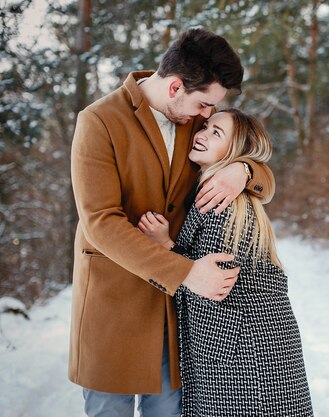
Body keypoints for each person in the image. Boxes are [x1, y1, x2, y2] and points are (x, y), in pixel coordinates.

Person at [69, 29, 275, 417]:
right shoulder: (98, 121)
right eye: (203, 104)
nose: (207, 115)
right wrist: (185, 273)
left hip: (173, 314)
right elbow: (101, 221)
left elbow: (249, 155)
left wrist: (244, 171)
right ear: (176, 86)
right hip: (114, 302)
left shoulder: (191, 119)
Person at [139, 109, 314, 416]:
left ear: (234, 152)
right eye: (205, 126)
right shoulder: (219, 193)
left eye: (215, 133)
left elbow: (210, 286)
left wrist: (164, 246)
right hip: (247, 348)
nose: (201, 134)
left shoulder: (223, 203)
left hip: (244, 357)